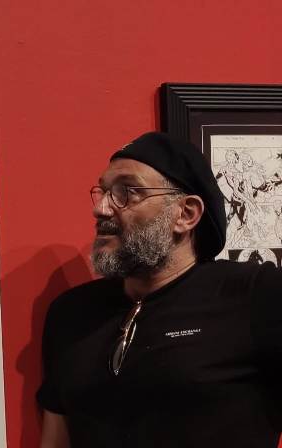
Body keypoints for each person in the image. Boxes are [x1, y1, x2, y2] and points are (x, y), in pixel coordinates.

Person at [38, 132, 282, 447]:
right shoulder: (71, 312)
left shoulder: (257, 294)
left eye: (127, 192)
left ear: (186, 214)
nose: (101, 208)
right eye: (103, 191)